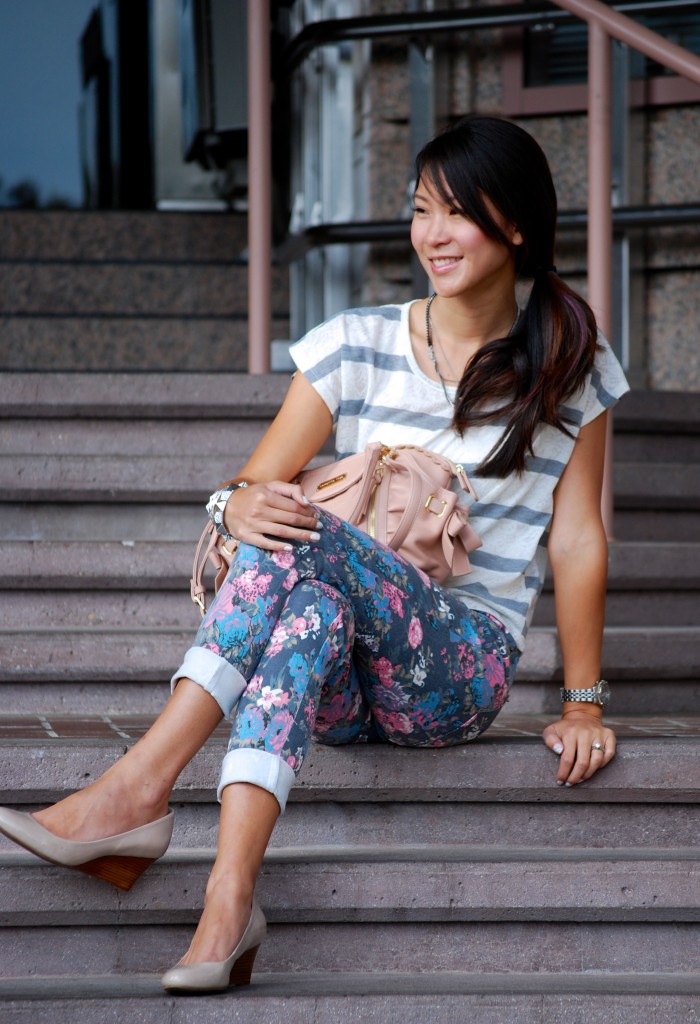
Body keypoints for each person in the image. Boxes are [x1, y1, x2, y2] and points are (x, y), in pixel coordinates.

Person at [0, 115, 628, 993]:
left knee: (306, 532)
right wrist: (238, 501)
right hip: (341, 670)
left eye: (456, 213)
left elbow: (577, 534)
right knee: (302, 582)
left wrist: (585, 703)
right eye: (419, 211)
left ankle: (137, 789)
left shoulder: (572, 361)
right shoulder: (353, 343)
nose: (431, 235)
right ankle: (229, 901)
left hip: (457, 670)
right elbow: (251, 491)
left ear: (516, 225)